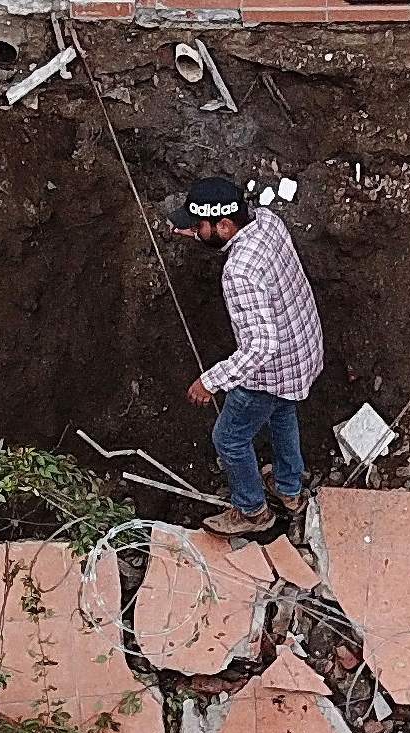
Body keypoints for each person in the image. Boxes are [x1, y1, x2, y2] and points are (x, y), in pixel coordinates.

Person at [170, 175, 325, 538]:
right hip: (301, 349)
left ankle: (252, 510)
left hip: (271, 367)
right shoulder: (268, 221)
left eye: (199, 225)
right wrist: (198, 234)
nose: (195, 230)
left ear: (224, 225)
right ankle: (289, 492)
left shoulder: (238, 273)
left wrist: (211, 381)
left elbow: (261, 347)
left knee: (229, 439)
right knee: (283, 412)